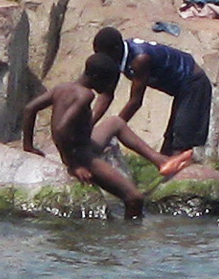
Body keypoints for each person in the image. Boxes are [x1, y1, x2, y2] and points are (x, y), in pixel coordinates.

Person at [20, 54, 190, 220]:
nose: (110, 87)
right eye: (109, 81)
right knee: (134, 198)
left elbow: (29, 109)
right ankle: (128, 239)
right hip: (83, 156)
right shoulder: (85, 95)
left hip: (84, 144)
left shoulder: (61, 88)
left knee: (115, 122)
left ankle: (161, 161)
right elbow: (61, 127)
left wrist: (28, 146)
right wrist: (74, 165)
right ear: (96, 77)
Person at [92, 27, 214, 158]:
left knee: (181, 139)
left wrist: (111, 129)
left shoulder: (140, 59)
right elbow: (106, 95)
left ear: (115, 49)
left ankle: (182, 175)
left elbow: (135, 102)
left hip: (193, 83)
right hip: (180, 88)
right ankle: (165, 169)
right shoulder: (115, 58)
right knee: (169, 137)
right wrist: (88, 124)